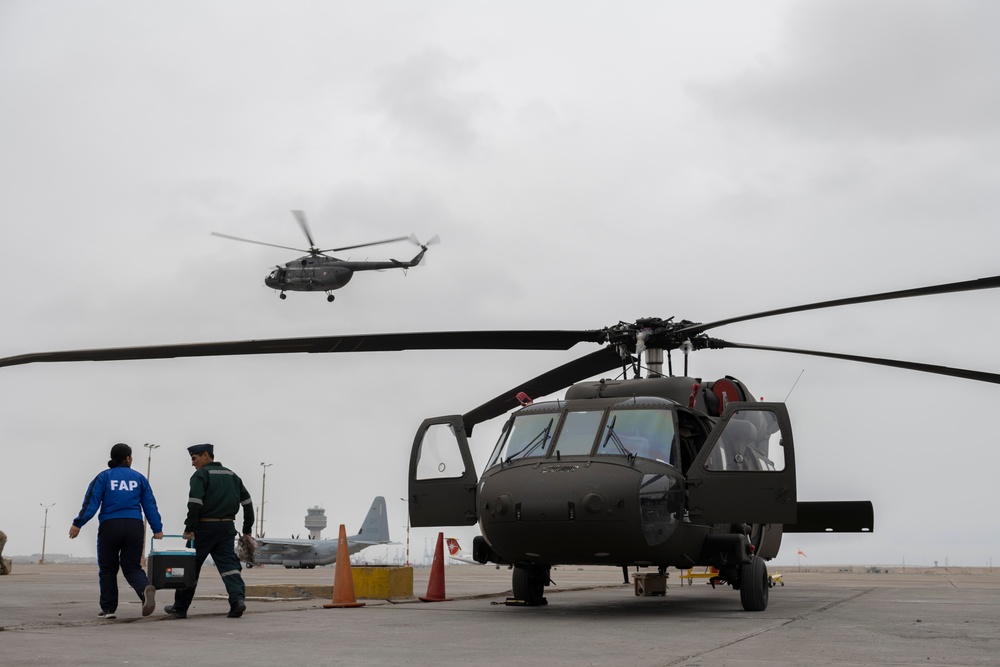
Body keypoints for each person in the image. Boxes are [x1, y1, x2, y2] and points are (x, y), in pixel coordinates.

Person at [70, 443, 163, 619]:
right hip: (134, 526)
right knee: (132, 566)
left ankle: (108, 609)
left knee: (108, 568)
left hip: (110, 526)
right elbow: (150, 505)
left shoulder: (104, 477)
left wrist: (78, 523)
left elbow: (91, 502)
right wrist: (157, 529)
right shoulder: (139, 478)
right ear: (128, 458)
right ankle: (144, 590)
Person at [164, 443, 254, 619]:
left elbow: (195, 503)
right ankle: (237, 601)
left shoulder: (201, 475)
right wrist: (247, 529)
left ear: (206, 455)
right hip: (227, 528)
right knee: (230, 567)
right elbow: (248, 503)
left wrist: (189, 528)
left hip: (203, 529)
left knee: (190, 567)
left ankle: (180, 608)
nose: (192, 463)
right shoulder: (232, 475)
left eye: (194, 458)